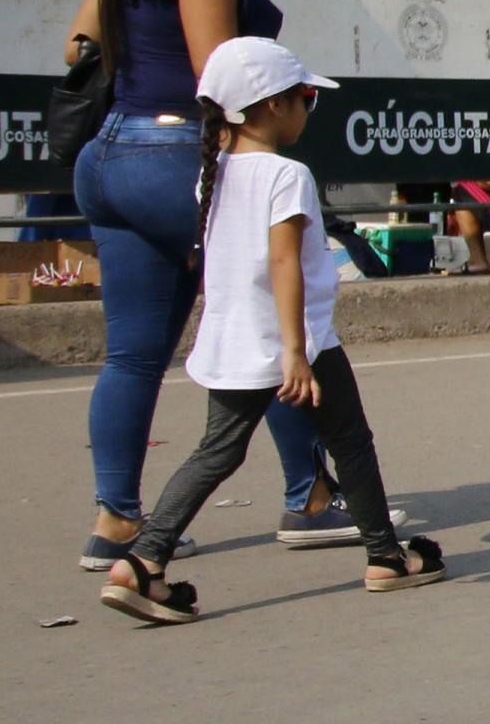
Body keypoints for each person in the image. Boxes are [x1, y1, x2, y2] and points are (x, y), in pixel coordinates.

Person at [61, 0, 396, 574]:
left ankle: (115, 518)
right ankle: (309, 498)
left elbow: (76, 46)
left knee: (133, 355)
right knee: (270, 322)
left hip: (109, 154)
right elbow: (223, 76)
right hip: (176, 153)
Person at [95, 39, 446, 623]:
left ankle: (143, 560)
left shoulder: (214, 173)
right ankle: (386, 556)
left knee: (216, 453)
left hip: (233, 338)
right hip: (294, 341)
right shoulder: (287, 175)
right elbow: (283, 262)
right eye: (307, 97)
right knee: (351, 442)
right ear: (273, 106)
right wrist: (295, 352)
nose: (310, 108)